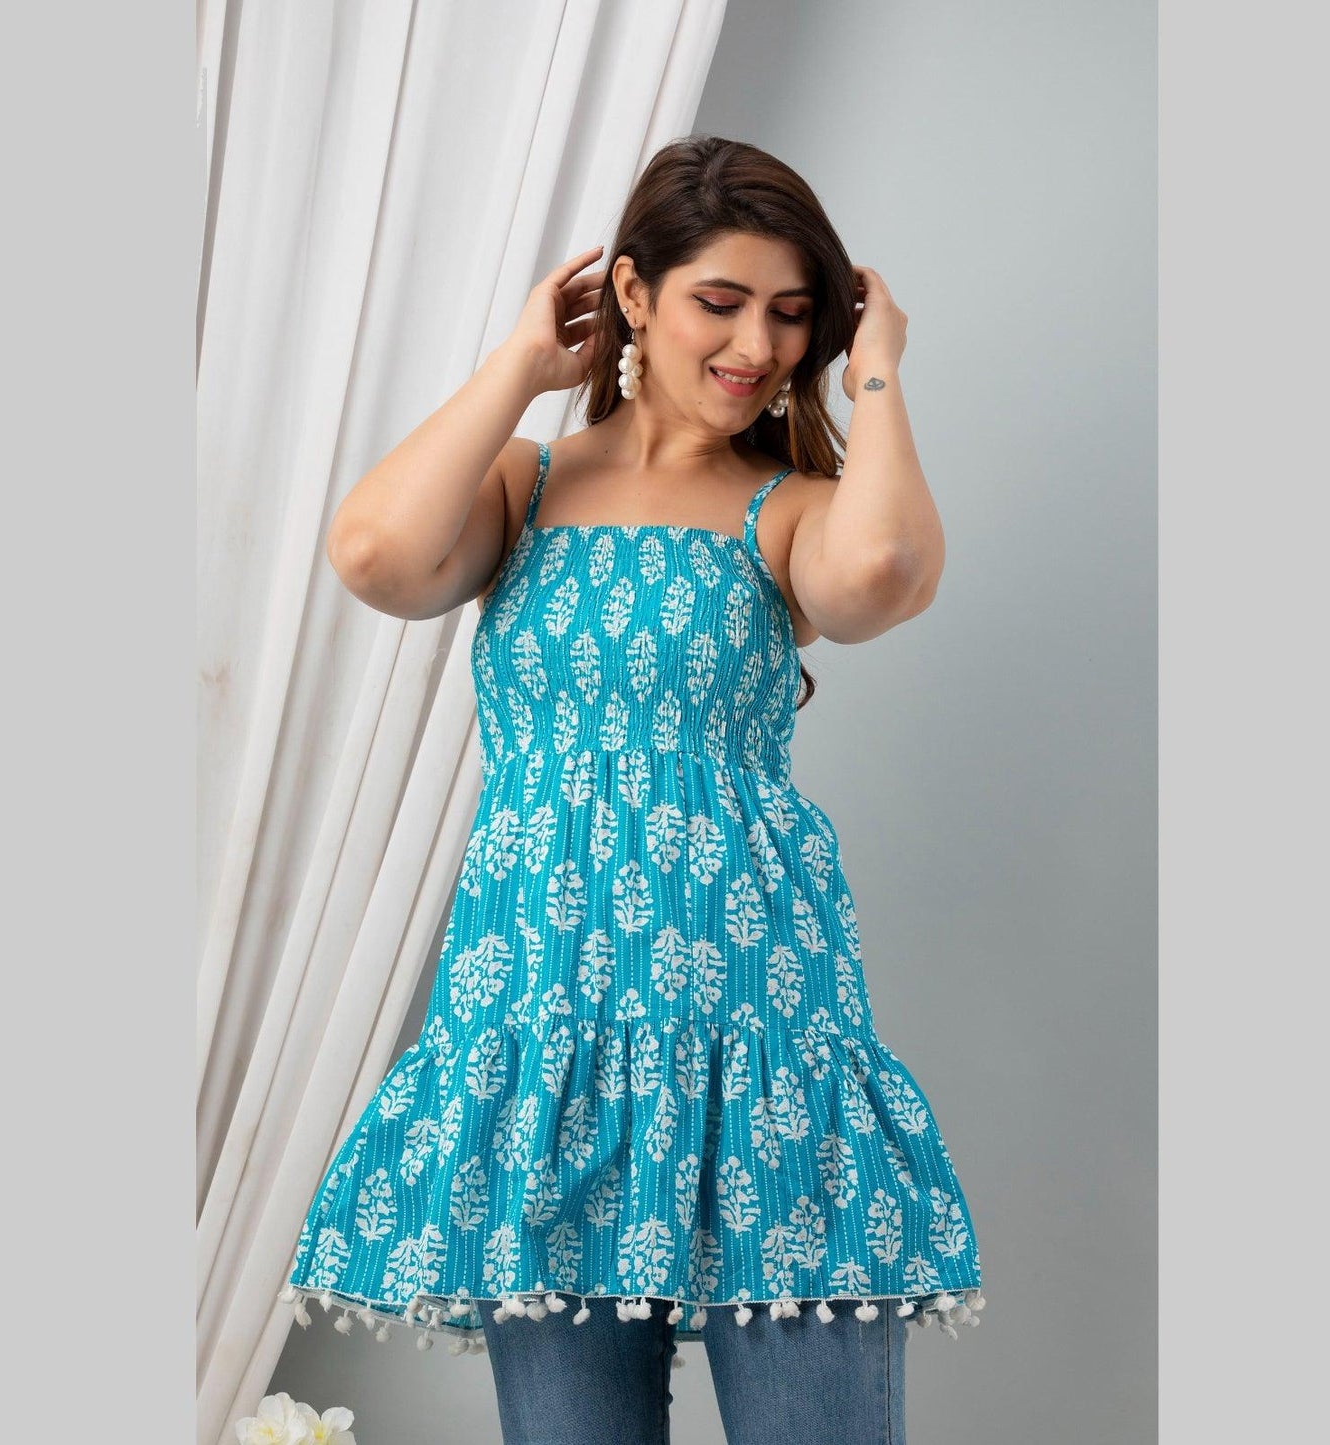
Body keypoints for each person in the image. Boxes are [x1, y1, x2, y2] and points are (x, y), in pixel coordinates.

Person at [278, 135, 983, 1445]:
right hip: (545, 1048)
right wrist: (517, 368)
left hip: (759, 1048)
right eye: (721, 301)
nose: (758, 345)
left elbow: (882, 573)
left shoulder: (790, 507)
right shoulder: (526, 485)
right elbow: (376, 555)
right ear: (634, 295)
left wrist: (877, 367)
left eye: (792, 314)